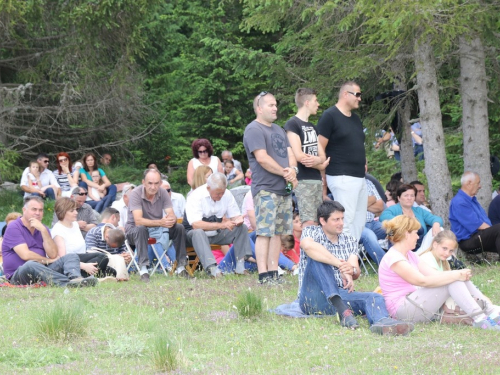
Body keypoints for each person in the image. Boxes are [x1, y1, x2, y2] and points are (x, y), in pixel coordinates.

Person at [298, 201, 413, 335]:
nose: (341, 223)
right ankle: (342, 310)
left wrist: (351, 271)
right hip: (313, 297)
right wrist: (340, 264)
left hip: (342, 294)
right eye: (336, 219)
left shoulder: (349, 239)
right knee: (317, 257)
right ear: (323, 221)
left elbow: (355, 270)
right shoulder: (311, 231)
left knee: (374, 296)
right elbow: (308, 246)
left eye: (342, 218)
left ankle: (382, 322)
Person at [378, 215, 499, 330]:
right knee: (452, 278)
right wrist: (455, 275)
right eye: (415, 233)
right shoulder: (394, 258)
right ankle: (480, 317)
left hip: (412, 302)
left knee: (454, 277)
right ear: (406, 234)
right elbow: (422, 281)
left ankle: (489, 311)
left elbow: (434, 275)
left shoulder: (409, 255)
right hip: (402, 310)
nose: (418, 237)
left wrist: (458, 274)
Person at [243, 91, 298, 284]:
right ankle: (263, 274)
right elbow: (262, 158)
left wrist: (292, 170)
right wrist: (286, 173)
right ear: (259, 108)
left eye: (276, 104)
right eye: (270, 105)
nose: (275, 108)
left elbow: (290, 153)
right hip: (266, 188)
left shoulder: (279, 129)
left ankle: (274, 272)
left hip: (283, 189)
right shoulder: (254, 129)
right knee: (264, 232)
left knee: (278, 232)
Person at [2, 196, 96, 287]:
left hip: (42, 270)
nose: (38, 213)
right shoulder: (14, 227)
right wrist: (48, 261)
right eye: (34, 209)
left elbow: (53, 254)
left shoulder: (43, 228)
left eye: (40, 210)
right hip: (18, 275)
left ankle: (76, 279)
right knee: (30, 265)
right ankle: (67, 283)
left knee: (70, 256)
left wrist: (43, 230)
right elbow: (25, 255)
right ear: (24, 210)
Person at [317, 81, 366, 241]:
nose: (359, 98)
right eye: (357, 94)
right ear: (346, 94)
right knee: (344, 222)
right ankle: (343, 261)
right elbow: (320, 147)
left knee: (359, 222)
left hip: (359, 177)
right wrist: (323, 181)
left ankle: (353, 258)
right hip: (341, 176)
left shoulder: (356, 119)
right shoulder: (330, 116)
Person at [419, 230, 500, 320]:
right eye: (444, 248)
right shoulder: (426, 258)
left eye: (451, 251)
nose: (447, 253)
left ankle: (490, 310)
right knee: (455, 278)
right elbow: (435, 278)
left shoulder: (443, 261)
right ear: (435, 244)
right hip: (425, 302)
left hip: (439, 299)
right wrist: (458, 275)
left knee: (459, 278)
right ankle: (482, 315)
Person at [126, 169, 190, 281]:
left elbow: (171, 214)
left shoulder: (163, 192)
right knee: (141, 229)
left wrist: (171, 219)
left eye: (156, 183)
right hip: (135, 231)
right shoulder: (135, 193)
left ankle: (181, 267)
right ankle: (144, 270)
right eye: (150, 183)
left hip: (158, 228)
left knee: (179, 227)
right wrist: (161, 222)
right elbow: (138, 221)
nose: (153, 187)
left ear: (160, 183)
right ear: (143, 182)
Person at [184, 173, 252, 277]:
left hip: (216, 234)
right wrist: (222, 225)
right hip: (193, 236)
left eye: (222, 193)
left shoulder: (227, 194)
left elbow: (235, 215)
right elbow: (196, 225)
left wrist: (238, 219)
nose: (220, 196)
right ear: (208, 188)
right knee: (198, 232)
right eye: (217, 193)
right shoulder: (195, 196)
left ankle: (240, 266)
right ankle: (212, 269)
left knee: (242, 228)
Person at [285, 88, 329, 228]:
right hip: (303, 180)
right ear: (307, 102)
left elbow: (322, 155)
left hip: (316, 181)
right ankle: (307, 249)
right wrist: (319, 163)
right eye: (316, 101)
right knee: (309, 222)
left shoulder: (312, 127)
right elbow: (299, 155)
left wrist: (318, 161)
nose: (318, 104)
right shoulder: (292, 124)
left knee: (318, 221)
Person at [51, 197, 110, 278]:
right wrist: (84, 266)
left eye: (75, 209)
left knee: (110, 270)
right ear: (63, 212)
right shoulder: (58, 231)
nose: (76, 212)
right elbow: (63, 258)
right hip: (69, 264)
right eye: (72, 211)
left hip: (81, 258)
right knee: (102, 258)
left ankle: (94, 275)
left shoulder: (75, 224)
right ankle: (79, 277)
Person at [380, 184, 443, 252]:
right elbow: (383, 217)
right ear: (399, 198)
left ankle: (448, 259)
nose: (409, 198)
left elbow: (436, 218)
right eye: (406, 195)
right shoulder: (393, 209)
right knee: (392, 231)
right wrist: (405, 222)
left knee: (441, 229)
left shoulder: (419, 210)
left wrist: (436, 224)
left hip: (421, 247)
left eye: (412, 195)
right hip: (402, 248)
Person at [450, 171, 500, 256]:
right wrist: (493, 231)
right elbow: (477, 225)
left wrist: (493, 231)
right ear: (469, 183)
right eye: (478, 183)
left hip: (479, 236)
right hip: (468, 241)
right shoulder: (459, 202)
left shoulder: (472, 200)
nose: (480, 186)